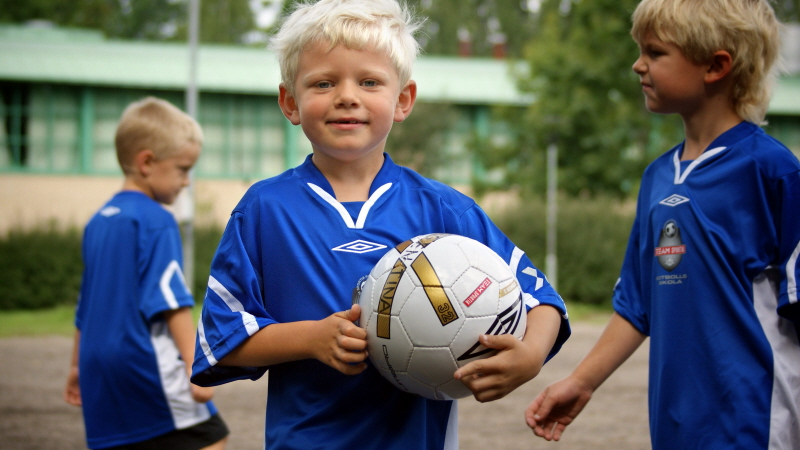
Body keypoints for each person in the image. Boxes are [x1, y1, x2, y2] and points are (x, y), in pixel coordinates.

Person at [190, 0, 571, 449]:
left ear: (403, 99)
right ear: (290, 102)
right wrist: (311, 338)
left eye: (369, 81)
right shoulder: (264, 210)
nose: (346, 96)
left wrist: (529, 355)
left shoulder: (445, 209)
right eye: (323, 82)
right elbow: (225, 338)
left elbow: (539, 297)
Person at [526, 0, 800, 448]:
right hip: (674, 429)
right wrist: (582, 381)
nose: (638, 65)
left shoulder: (773, 172)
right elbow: (637, 304)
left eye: (654, 52)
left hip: (753, 429)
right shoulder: (657, 177)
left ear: (716, 65)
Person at [63, 97, 229, 450]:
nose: (186, 182)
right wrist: (195, 367)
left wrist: (76, 366)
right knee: (212, 437)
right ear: (147, 162)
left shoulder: (99, 221)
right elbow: (170, 301)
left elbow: (85, 305)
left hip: (98, 368)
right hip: (142, 360)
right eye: (183, 169)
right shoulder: (156, 220)